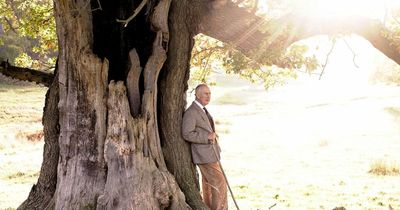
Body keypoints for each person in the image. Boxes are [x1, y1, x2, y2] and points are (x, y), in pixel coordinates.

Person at [182, 84, 228, 210]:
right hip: (204, 155)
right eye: (205, 94)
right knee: (220, 183)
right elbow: (186, 133)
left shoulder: (202, 109)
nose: (208, 96)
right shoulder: (192, 112)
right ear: (197, 95)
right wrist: (206, 136)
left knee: (208, 185)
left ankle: (208, 207)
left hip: (211, 154)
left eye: (209, 93)